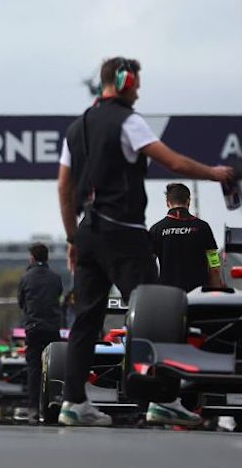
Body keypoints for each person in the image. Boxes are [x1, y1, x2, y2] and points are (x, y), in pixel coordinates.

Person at [57, 56, 234, 426]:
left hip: (88, 232)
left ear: (170, 202)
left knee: (86, 321)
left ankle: (72, 402)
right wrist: (215, 173)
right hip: (124, 233)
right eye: (135, 83)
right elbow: (175, 163)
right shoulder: (129, 122)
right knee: (157, 318)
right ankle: (163, 399)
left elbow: (63, 185)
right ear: (123, 81)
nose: (138, 90)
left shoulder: (77, 128)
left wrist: (73, 236)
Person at [16, 242, 62, 423]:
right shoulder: (56, 278)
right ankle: (55, 402)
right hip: (52, 327)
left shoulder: (26, 278)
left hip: (33, 328)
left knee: (34, 368)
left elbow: (21, 302)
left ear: (32, 258)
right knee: (54, 367)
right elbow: (57, 296)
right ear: (47, 257)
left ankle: (33, 409)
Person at [150, 183, 224, 291]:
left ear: (167, 203)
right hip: (199, 295)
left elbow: (148, 265)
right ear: (189, 201)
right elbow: (214, 262)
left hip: (167, 294)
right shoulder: (203, 227)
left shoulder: (156, 229)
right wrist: (216, 289)